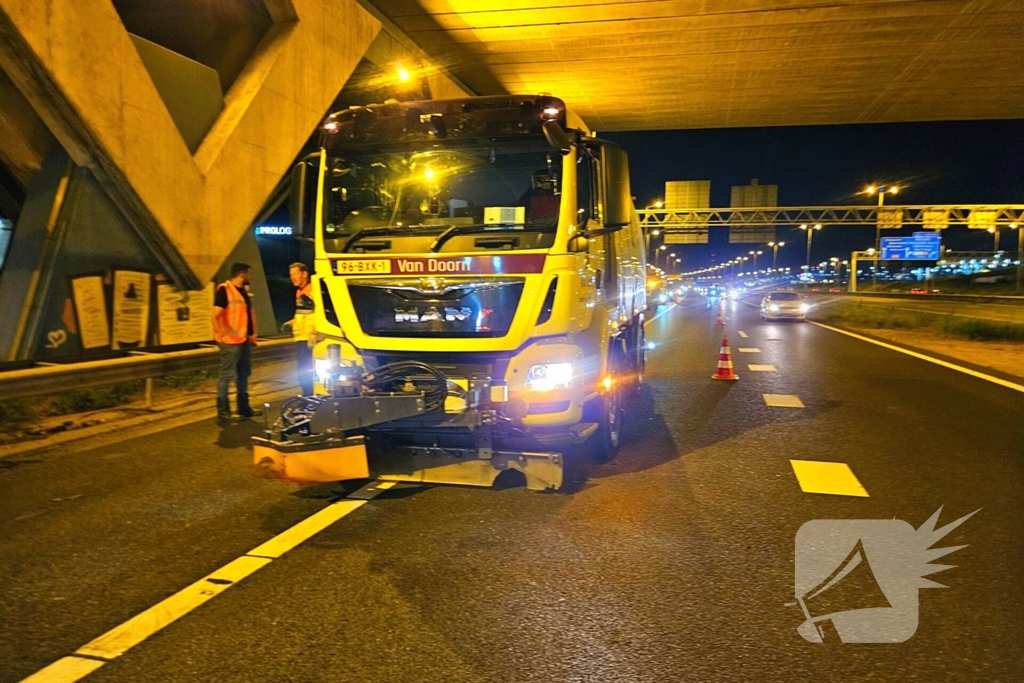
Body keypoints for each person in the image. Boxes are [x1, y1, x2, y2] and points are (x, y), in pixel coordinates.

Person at [211, 262, 260, 421]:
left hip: (244, 340)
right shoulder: (225, 290)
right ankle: (223, 413)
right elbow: (214, 315)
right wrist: (220, 334)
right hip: (230, 342)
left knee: (243, 375)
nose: (251, 277)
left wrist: (251, 336)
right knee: (226, 376)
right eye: (249, 274)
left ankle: (243, 408)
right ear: (242, 274)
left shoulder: (243, 291)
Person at [285, 263, 316, 396]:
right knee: (303, 369)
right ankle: (308, 395)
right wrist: (293, 321)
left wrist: (315, 332)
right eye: (291, 275)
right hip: (301, 337)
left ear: (304, 274)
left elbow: (318, 312)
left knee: (306, 369)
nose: (292, 277)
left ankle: (310, 396)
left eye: (295, 274)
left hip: (309, 337)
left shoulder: (313, 289)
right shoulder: (299, 292)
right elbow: (304, 313)